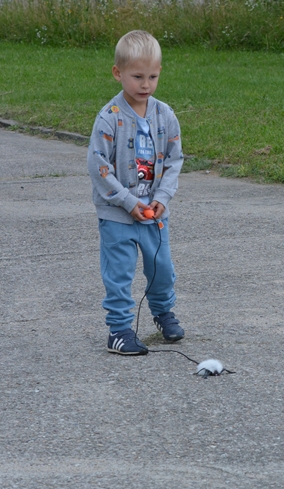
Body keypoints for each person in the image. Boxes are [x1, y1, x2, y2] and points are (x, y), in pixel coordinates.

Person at [88, 30, 185, 355]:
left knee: (162, 270)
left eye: (152, 77)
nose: (146, 85)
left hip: (154, 213)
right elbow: (99, 167)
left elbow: (174, 160)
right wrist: (128, 202)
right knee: (119, 273)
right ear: (118, 73)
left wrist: (162, 198)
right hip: (118, 214)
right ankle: (118, 330)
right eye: (137, 77)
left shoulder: (164, 115)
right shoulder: (109, 118)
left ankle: (163, 313)